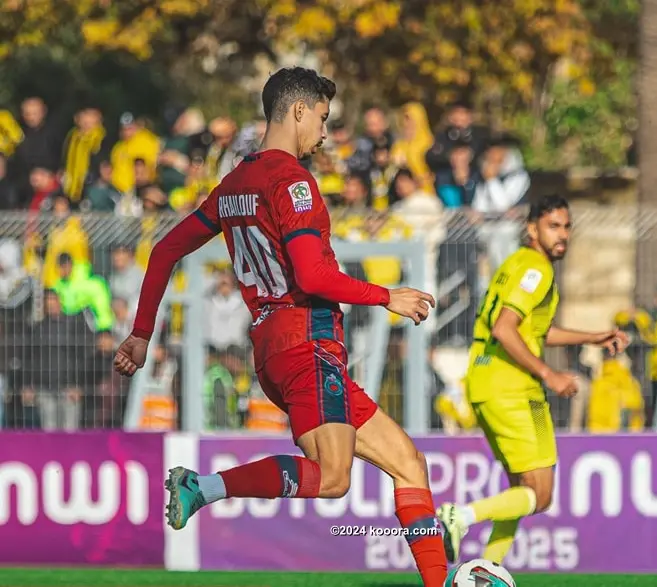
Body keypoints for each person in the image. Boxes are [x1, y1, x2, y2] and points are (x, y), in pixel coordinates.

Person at [113, 67, 447, 587]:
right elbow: (313, 275)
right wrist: (388, 297)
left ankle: (441, 581)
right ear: (298, 110)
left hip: (276, 345)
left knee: (409, 463)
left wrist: (141, 332)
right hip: (305, 342)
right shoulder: (292, 181)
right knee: (333, 478)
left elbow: (164, 250)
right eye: (322, 117)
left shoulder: (235, 184)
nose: (324, 131)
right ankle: (203, 487)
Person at [436, 195, 629, 565]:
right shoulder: (537, 270)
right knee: (541, 496)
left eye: (567, 226)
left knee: (522, 491)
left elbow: (532, 331)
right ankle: (461, 517)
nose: (563, 235)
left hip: (485, 383)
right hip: (515, 388)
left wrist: (591, 337)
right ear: (531, 229)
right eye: (553, 226)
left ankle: (487, 570)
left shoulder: (517, 263)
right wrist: (549, 374)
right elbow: (505, 329)